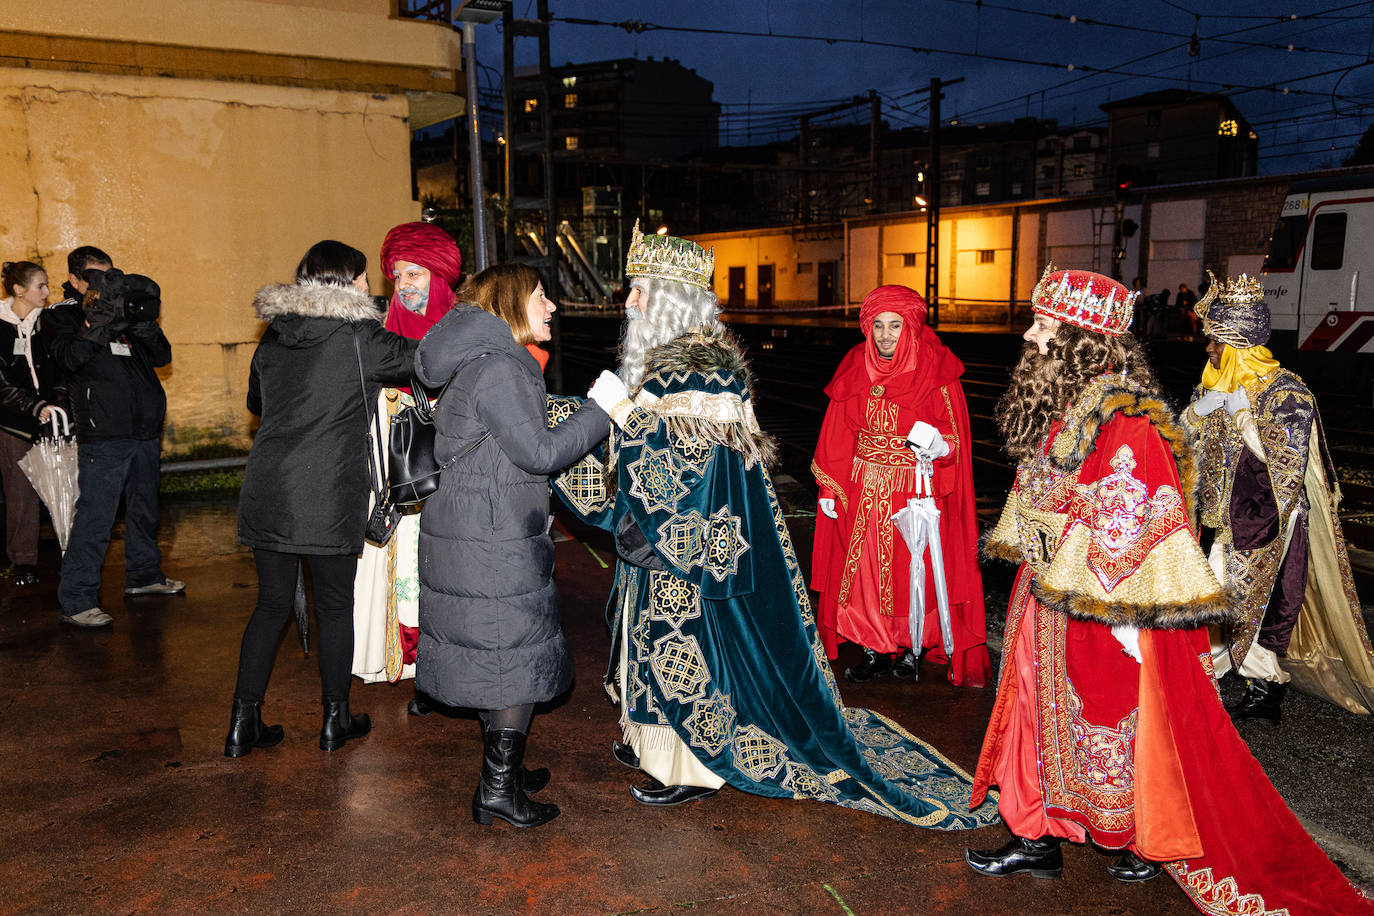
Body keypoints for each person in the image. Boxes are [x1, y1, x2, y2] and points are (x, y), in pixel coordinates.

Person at [549, 222, 1001, 831]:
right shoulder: (673, 363)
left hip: (687, 542)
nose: (628, 302)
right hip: (664, 535)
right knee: (646, 643)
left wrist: (610, 419)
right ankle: (654, 744)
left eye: (639, 290)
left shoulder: (697, 369)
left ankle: (694, 769)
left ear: (669, 297)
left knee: (686, 650)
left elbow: (681, 468)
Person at [966, 265, 1374, 915]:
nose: (1033, 337)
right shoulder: (1067, 405)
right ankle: (1033, 831)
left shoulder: (1128, 415)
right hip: (1046, 594)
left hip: (1105, 603)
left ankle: (1137, 836)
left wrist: (1125, 611)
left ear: (1082, 341)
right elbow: (1043, 492)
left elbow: (1144, 509)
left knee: (1117, 725)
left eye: (1047, 327)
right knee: (1031, 715)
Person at [413, 263, 612, 829]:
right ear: (510, 304)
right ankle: (496, 790)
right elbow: (540, 453)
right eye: (542, 296)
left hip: (478, 525)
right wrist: (604, 409)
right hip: (491, 536)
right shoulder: (501, 369)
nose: (552, 307)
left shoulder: (482, 363)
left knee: (500, 654)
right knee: (511, 658)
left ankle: (505, 771)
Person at [228, 240, 417, 757]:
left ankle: (243, 722)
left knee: (270, 606)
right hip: (328, 489)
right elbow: (424, 363)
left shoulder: (275, 333)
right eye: (363, 279)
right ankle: (336, 719)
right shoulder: (361, 337)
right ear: (347, 283)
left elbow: (256, 402)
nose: (369, 288)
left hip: (268, 484)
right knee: (334, 606)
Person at [1183, 273, 1374, 721]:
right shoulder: (1214, 384)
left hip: (1268, 515)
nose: (1208, 351)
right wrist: (1198, 411)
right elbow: (1184, 441)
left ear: (1237, 345)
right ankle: (1250, 686)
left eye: (1215, 343)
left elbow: (1286, 464)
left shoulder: (1286, 393)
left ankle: (1241, 684)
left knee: (1234, 600)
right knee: (1225, 599)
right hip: (1225, 516)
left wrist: (1245, 416)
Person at [811, 284, 989, 686]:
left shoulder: (937, 369)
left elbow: (954, 439)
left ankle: (913, 647)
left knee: (914, 568)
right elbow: (838, 432)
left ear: (911, 327)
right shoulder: (856, 364)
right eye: (878, 326)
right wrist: (828, 489)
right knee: (865, 570)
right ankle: (875, 648)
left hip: (914, 489)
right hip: (862, 487)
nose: (886, 335)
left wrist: (940, 444)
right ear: (867, 328)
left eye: (895, 325)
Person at [352, 221, 463, 701]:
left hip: (453, 473)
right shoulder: (380, 334)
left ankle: (442, 661)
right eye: (397, 276)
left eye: (414, 273)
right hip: (396, 472)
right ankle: (406, 656)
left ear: (438, 277)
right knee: (400, 568)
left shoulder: (463, 329)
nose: (404, 286)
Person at [42, 246, 180, 628]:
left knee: (145, 511)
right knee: (96, 518)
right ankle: (77, 599)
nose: (104, 283)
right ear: (74, 279)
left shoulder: (123, 309)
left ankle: (144, 576)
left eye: (110, 274)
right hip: (104, 433)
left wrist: (143, 324)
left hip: (144, 429)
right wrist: (97, 321)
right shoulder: (62, 315)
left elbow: (162, 356)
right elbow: (69, 358)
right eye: (94, 276)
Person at [0, 261, 64, 586]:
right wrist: (33, 406)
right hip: (16, 424)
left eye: (47, 285)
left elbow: (63, 369)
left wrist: (57, 404)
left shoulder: (48, 324)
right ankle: (23, 561)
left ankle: (71, 552)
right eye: (40, 286)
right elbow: (1, 384)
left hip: (53, 419)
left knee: (62, 488)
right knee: (20, 494)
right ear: (18, 290)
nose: (47, 292)